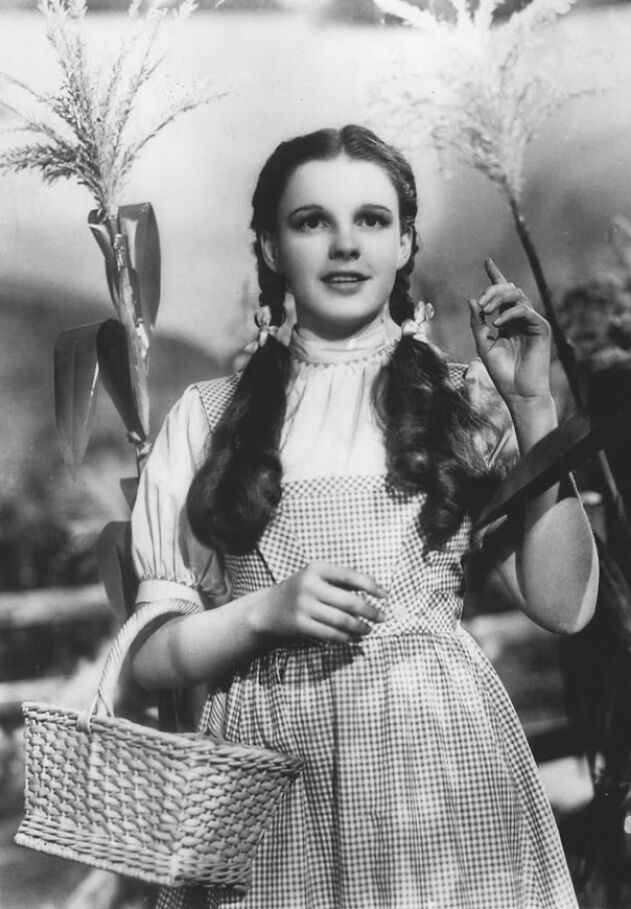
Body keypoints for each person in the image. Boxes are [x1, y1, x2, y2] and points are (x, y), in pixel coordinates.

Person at [130, 124, 599, 909]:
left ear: (406, 242)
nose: (346, 244)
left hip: (442, 782)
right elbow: (146, 659)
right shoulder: (205, 418)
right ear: (272, 247)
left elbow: (564, 603)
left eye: (372, 220)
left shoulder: (466, 403)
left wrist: (531, 406)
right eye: (313, 220)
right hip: (272, 789)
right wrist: (262, 614)